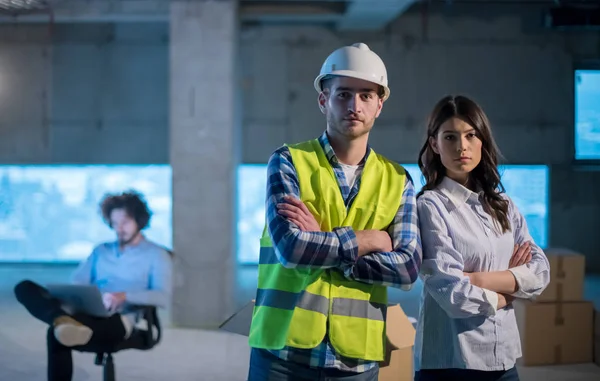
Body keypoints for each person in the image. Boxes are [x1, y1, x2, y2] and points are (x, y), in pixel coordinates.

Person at [246, 42, 422, 381]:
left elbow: (408, 269)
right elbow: (292, 249)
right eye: (343, 94)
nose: (354, 105)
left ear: (379, 105)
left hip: (355, 360)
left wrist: (323, 241)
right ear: (323, 100)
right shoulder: (288, 161)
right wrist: (371, 239)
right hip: (282, 353)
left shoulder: (398, 180)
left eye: (366, 96)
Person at [413, 95, 551, 381]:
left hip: (504, 360)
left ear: (482, 141)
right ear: (435, 144)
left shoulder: (503, 204)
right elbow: (453, 296)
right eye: (450, 137)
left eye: (470, 135)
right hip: (452, 363)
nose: (461, 146)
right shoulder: (430, 205)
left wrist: (477, 280)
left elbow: (540, 271)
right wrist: (512, 290)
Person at [14, 190, 173, 381]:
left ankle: (62, 323)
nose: (119, 229)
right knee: (25, 287)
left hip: (119, 319)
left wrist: (123, 296)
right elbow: (79, 280)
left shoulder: (156, 254)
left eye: (124, 223)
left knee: (57, 334)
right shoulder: (101, 250)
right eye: (114, 223)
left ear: (139, 220)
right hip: (88, 309)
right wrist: (76, 294)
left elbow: (162, 295)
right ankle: (60, 319)